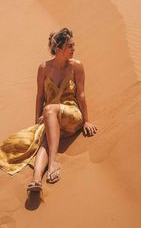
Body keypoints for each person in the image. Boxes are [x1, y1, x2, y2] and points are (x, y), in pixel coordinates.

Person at [27, 28, 98, 192]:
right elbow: (39, 97)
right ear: (59, 49)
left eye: (74, 45)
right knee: (45, 140)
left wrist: (86, 120)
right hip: (52, 118)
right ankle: (36, 179)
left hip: (71, 115)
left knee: (50, 109)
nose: (74, 49)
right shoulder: (43, 68)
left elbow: (81, 94)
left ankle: (52, 164)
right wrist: (36, 123)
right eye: (70, 46)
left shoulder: (76, 66)